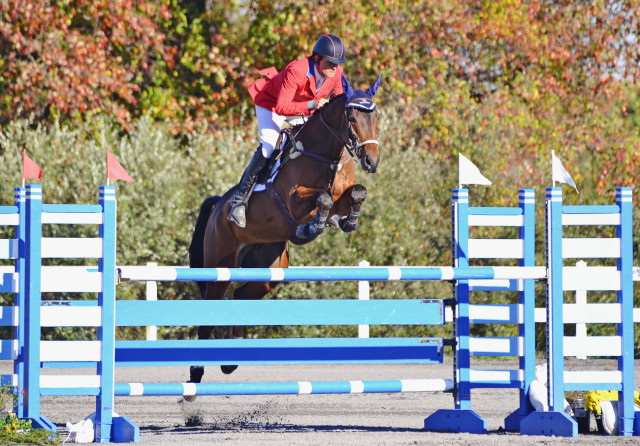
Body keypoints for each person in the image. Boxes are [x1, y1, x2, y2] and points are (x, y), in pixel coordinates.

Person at [227, 34, 346, 228]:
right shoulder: (297, 70)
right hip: (271, 106)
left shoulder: (337, 73)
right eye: (331, 62)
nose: (335, 67)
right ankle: (239, 201)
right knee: (269, 147)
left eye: (337, 63)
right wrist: (312, 104)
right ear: (317, 59)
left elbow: (340, 100)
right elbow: (282, 107)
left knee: (317, 139)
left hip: (302, 108)